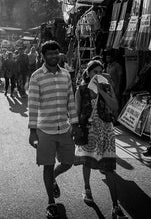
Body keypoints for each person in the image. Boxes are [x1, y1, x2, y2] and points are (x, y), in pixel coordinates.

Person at [28, 40, 80, 219]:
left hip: (64, 128)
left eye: (55, 53)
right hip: (45, 130)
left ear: (59, 54)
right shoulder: (36, 77)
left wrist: (75, 124)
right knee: (48, 166)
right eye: (49, 54)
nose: (53, 56)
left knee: (68, 162)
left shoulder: (66, 75)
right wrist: (32, 131)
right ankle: (51, 202)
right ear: (43, 56)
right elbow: (33, 105)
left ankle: (53, 179)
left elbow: (71, 101)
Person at [74, 60, 127, 219]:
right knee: (87, 162)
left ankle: (115, 205)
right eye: (94, 71)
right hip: (89, 130)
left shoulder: (107, 87)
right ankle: (87, 188)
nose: (97, 74)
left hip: (106, 131)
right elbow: (77, 111)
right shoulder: (81, 90)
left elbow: (115, 107)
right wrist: (75, 129)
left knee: (109, 167)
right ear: (88, 73)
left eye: (100, 71)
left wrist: (102, 90)